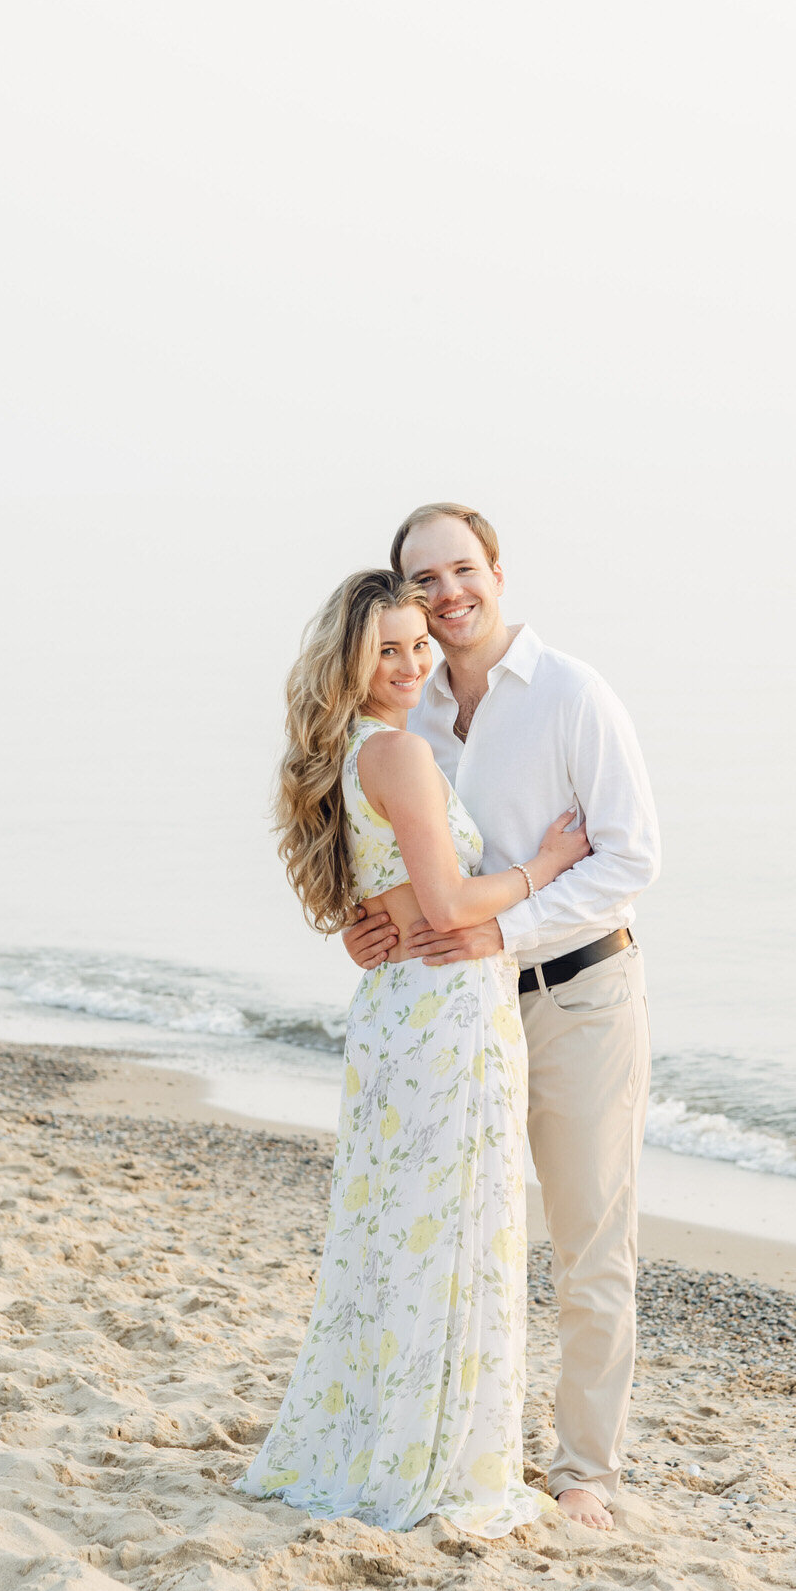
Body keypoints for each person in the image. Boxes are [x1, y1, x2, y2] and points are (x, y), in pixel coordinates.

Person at [239, 568, 591, 1536]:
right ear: (349, 660)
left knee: (398, 1239)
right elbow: (445, 907)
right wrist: (547, 865)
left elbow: (377, 903)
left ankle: (388, 1436)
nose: (408, 663)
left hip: (398, 1009)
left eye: (416, 645)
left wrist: (386, 916)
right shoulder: (393, 751)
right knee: (448, 1239)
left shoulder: (344, 753)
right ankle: (429, 1458)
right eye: (385, 648)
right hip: (443, 1014)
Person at [344, 504, 660, 1533]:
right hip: (461, 1016)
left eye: (461, 571)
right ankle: (463, 1444)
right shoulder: (411, 713)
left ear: (497, 573)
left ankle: (584, 1473)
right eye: (424, 581)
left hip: (575, 994)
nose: (447, 596)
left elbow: (629, 857)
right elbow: (430, 869)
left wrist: (505, 931)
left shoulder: (570, 693)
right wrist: (373, 927)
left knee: (585, 1241)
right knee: (467, 1237)